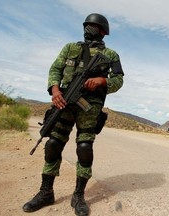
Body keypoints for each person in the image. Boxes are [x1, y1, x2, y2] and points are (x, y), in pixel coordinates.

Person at [22, 13, 124, 216]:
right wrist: (55, 90)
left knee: (84, 147)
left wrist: (103, 82)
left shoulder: (111, 55)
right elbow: (55, 69)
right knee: (53, 144)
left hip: (89, 106)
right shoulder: (70, 48)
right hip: (64, 102)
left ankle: (78, 196)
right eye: (87, 25)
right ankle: (45, 192)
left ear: (103, 31)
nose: (89, 28)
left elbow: (118, 80)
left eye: (93, 26)